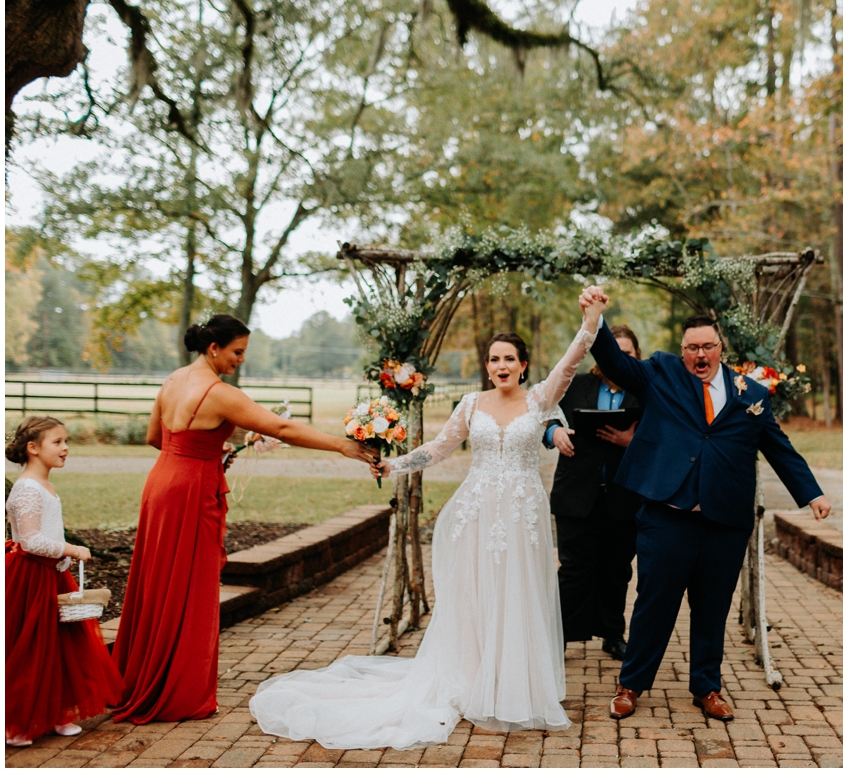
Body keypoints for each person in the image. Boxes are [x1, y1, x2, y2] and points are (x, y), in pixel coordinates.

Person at [249, 300, 607, 750]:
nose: (500, 365)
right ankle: (474, 680)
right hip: (477, 514)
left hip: (520, 518)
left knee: (517, 592)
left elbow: (572, 360)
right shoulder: (471, 403)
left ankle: (513, 685)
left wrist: (590, 322)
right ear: (487, 365)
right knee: (477, 595)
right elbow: (437, 449)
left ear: (524, 365)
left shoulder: (540, 400)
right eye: (494, 358)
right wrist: (393, 466)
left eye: (509, 359)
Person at [578, 287, 832, 723]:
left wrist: (811, 492)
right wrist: (596, 319)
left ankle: (707, 688)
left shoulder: (751, 393)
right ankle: (631, 685)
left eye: (707, 347)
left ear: (721, 349)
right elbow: (618, 364)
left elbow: (777, 446)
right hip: (666, 515)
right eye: (692, 347)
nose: (700, 354)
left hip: (724, 521)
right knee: (654, 604)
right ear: (682, 350)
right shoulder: (662, 372)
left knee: (713, 607)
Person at [111, 314, 377, 725]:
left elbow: (155, 439)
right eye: (237, 352)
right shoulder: (217, 392)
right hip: (190, 492)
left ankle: (141, 675)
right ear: (214, 348)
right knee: (191, 587)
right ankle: (176, 693)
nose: (240, 360)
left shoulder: (173, 380)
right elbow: (282, 427)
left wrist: (202, 454)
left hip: (161, 483)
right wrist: (342, 447)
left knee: (157, 581)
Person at [6, 417, 124, 747]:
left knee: (60, 647)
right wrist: (72, 548)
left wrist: (64, 558)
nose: (65, 447)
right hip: (32, 578)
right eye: (57, 442)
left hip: (53, 575)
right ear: (33, 448)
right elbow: (30, 541)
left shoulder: (44, 485)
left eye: (66, 440)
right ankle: (18, 722)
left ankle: (58, 712)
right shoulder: (27, 488)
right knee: (32, 648)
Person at [543, 325, 642, 660]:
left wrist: (634, 442)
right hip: (576, 494)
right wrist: (554, 432)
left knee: (617, 569)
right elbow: (542, 414)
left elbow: (665, 434)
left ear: (636, 357)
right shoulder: (574, 383)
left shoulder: (646, 391)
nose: (620, 359)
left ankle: (613, 634)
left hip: (625, 495)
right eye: (615, 352)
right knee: (573, 570)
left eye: (627, 354)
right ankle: (559, 636)